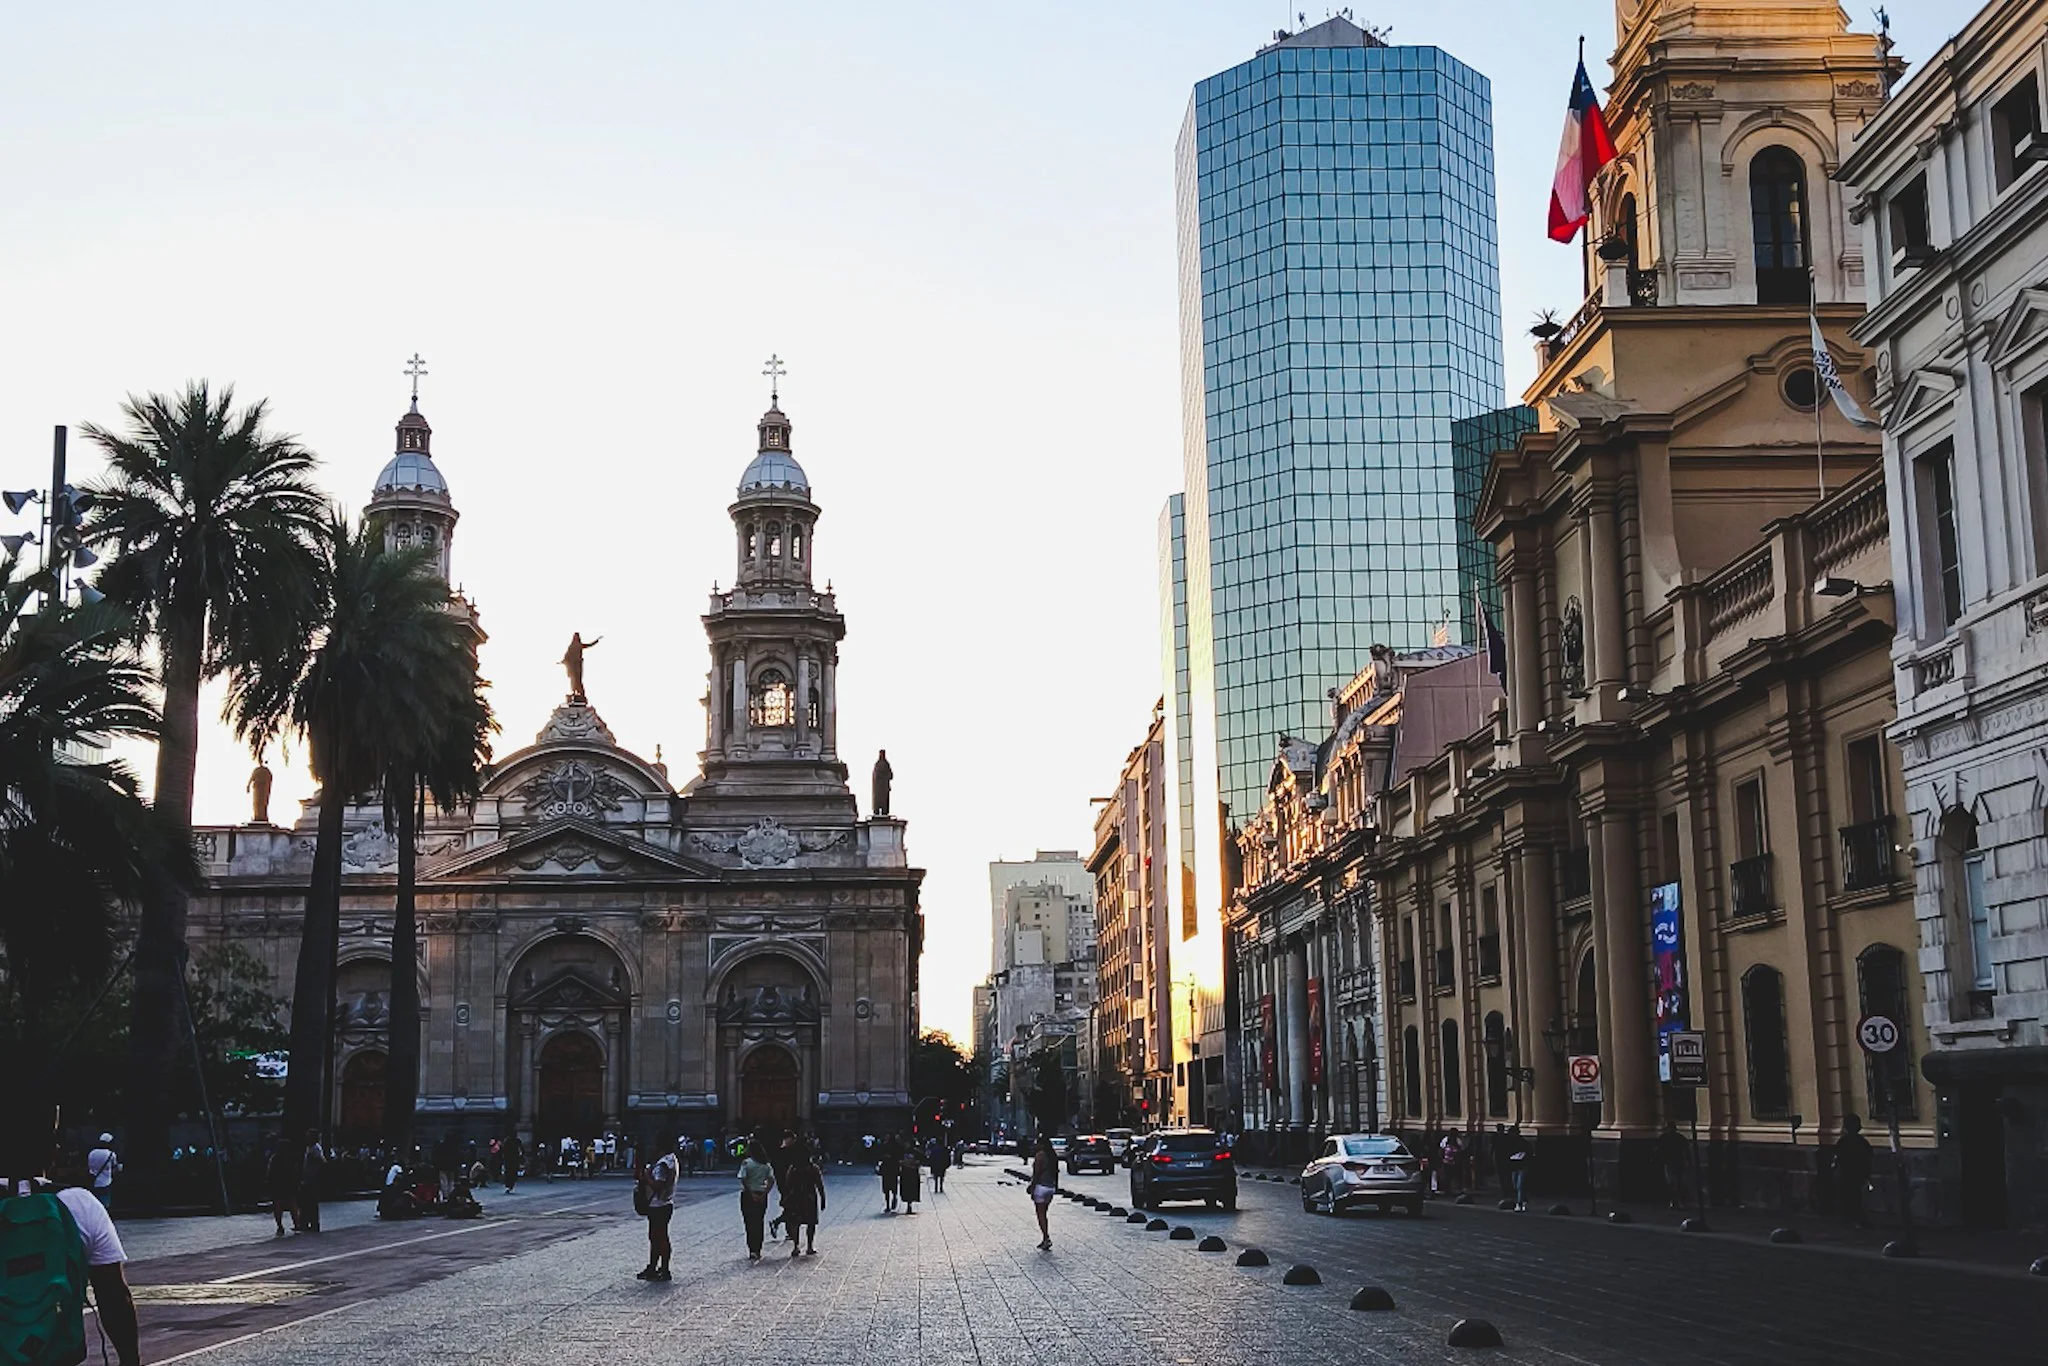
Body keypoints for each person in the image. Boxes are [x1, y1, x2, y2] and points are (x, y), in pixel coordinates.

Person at [1, 1088, 141, 1366]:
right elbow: (115, 1297)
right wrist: (130, 1361)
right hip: (56, 1353)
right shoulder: (78, 1204)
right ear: (51, 1151)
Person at [638, 1139, 678, 1282]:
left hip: (659, 1205)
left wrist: (646, 1176)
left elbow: (658, 1185)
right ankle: (654, 1267)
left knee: (660, 1237)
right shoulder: (671, 1160)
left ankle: (664, 1269)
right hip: (665, 1203)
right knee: (656, 1237)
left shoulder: (662, 1164)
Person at [737, 1137, 776, 1261]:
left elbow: (743, 1179)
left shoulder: (746, 1163)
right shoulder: (766, 1164)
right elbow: (771, 1180)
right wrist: (765, 1193)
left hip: (748, 1195)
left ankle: (752, 1249)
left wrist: (751, 1193)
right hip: (761, 1194)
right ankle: (758, 1248)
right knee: (759, 1221)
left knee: (749, 1222)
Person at [780, 1150, 824, 1257]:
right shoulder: (814, 1168)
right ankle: (809, 1246)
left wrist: (786, 1197)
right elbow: (819, 1185)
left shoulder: (793, 1168)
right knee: (811, 1222)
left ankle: (796, 1246)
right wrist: (823, 1198)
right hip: (810, 1198)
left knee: (795, 1223)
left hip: (796, 1197)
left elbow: (787, 1184)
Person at [1835, 1115, 1873, 1230]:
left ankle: (1851, 1219)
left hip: (1847, 1173)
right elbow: (1869, 1158)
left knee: (1849, 1197)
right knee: (1857, 1197)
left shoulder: (1843, 1141)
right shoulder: (1862, 1142)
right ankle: (1858, 1219)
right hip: (1858, 1173)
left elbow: (1838, 1157)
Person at [1028, 1135, 1059, 1250]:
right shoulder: (1052, 1156)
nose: (1036, 1145)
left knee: (1040, 1215)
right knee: (1044, 1213)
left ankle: (1046, 1238)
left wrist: (1032, 1186)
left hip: (1041, 1187)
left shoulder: (1040, 1155)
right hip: (1050, 1188)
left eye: (1038, 1143)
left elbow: (1037, 1173)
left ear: (1042, 1145)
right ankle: (1045, 1238)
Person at [265, 1133, 300, 1235]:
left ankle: (280, 1226)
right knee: (293, 1204)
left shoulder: (275, 1158)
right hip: (289, 1183)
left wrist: (268, 1182)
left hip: (278, 1184)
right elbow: (296, 1171)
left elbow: (270, 1172)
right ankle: (297, 1224)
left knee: (278, 1206)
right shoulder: (292, 1158)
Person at [297, 1127, 327, 1232]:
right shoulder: (309, 1148)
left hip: (312, 1179)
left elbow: (322, 1161)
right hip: (308, 1178)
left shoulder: (315, 1149)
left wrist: (315, 1172)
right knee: (306, 1201)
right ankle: (304, 1223)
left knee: (310, 1201)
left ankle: (312, 1224)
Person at [1658, 1120, 1689, 1209]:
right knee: (1677, 1182)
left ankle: (1675, 1201)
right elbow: (1686, 1150)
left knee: (1673, 1182)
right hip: (1676, 1161)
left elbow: (1659, 1150)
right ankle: (1678, 1201)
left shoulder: (1664, 1138)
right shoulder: (1679, 1137)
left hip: (1671, 1162)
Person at [85, 1134, 119, 1209]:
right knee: (104, 1203)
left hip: (93, 1181)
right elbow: (114, 1167)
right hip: (105, 1182)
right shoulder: (111, 1154)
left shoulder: (92, 1153)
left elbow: (89, 1166)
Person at [1506, 1125, 1529, 1212]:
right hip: (1514, 1166)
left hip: (1523, 1165)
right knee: (1515, 1185)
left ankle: (1519, 1203)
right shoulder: (1510, 1142)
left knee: (1520, 1185)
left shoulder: (1523, 1142)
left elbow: (1528, 1152)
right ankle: (1524, 1200)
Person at [897, 1139, 922, 1214]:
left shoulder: (916, 1152)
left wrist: (916, 1163)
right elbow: (898, 1160)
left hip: (912, 1172)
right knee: (906, 1188)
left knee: (911, 1188)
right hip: (905, 1173)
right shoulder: (901, 1151)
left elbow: (922, 1159)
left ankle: (910, 1204)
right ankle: (908, 1203)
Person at [878, 1135, 900, 1212]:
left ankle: (892, 1199)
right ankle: (888, 1204)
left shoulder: (893, 1146)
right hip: (889, 1169)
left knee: (890, 1187)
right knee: (888, 1188)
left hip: (890, 1169)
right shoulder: (884, 1145)